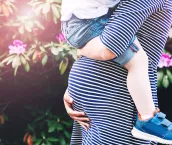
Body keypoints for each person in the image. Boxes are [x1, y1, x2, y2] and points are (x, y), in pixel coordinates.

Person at [62, 0, 172, 144]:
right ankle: (147, 120)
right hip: (115, 97)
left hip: (104, 94)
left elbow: (98, 35)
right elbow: (109, 47)